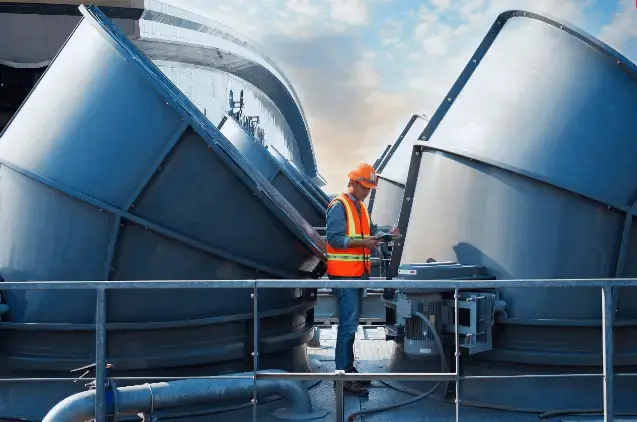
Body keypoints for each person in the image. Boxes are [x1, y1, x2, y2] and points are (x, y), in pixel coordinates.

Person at [325, 162, 399, 396]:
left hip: (357, 275)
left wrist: (384, 236)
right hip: (345, 277)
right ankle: (342, 376)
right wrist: (363, 242)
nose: (367, 192)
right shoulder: (339, 206)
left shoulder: (360, 207)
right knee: (347, 326)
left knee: (351, 324)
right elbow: (335, 239)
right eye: (365, 187)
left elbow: (371, 229)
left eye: (369, 189)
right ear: (353, 183)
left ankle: (348, 369)